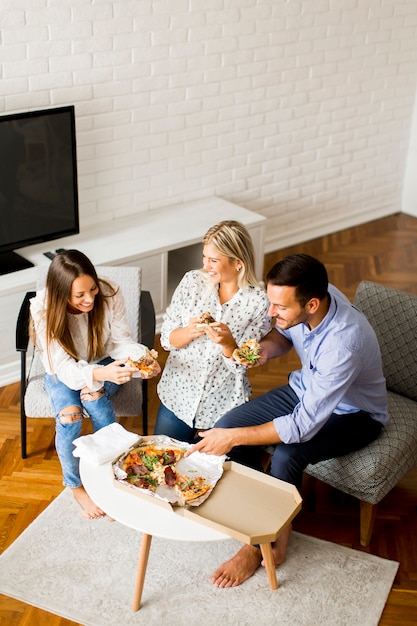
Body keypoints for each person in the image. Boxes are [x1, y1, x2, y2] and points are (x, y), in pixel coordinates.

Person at [188, 253, 389, 588]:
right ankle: (258, 512)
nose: (271, 312)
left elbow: (300, 428)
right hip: (307, 389)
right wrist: (266, 348)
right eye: (271, 302)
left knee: (285, 455)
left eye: (279, 307)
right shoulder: (316, 295)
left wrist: (233, 438)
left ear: (311, 304)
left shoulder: (344, 344)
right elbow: (286, 336)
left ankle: (259, 543)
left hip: (356, 414)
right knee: (227, 424)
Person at [30, 249, 161, 519]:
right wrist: (100, 376)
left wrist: (141, 360)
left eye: (92, 289)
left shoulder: (109, 292)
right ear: (61, 293)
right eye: (79, 295)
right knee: (70, 416)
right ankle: (76, 486)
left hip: (103, 361)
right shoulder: (42, 309)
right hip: (62, 370)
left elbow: (119, 342)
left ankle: (111, 474)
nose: (89, 298)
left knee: (93, 397)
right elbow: (64, 368)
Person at [154, 220, 271, 443]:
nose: (206, 266)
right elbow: (167, 341)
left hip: (221, 407)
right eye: (204, 257)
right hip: (177, 397)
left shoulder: (258, 302)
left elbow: (243, 365)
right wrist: (189, 331)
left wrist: (228, 344)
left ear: (238, 262)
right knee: (160, 462)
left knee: (206, 474)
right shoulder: (192, 282)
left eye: (214, 260)